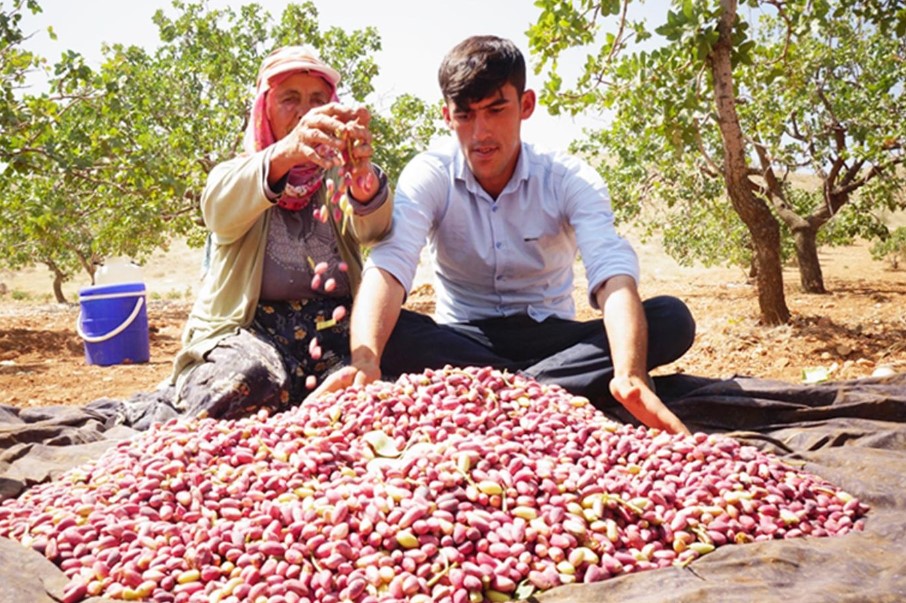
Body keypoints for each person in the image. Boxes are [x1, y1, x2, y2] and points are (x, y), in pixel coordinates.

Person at [320, 35, 694, 434]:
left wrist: (630, 373)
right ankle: (546, 388)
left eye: (496, 110)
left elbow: (612, 274)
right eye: (465, 115)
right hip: (463, 340)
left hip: (554, 336)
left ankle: (493, 390)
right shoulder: (431, 173)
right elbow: (391, 265)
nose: (481, 133)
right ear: (447, 116)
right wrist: (366, 361)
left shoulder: (568, 178)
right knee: (381, 332)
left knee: (671, 319)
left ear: (526, 105)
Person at [168, 45, 392, 420]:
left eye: (317, 100)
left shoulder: (338, 176)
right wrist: (287, 152)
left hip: (336, 324)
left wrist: (364, 184)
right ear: (264, 109)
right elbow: (219, 212)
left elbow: (375, 232)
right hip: (251, 332)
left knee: (422, 348)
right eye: (290, 99)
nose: (305, 112)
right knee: (246, 381)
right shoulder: (238, 173)